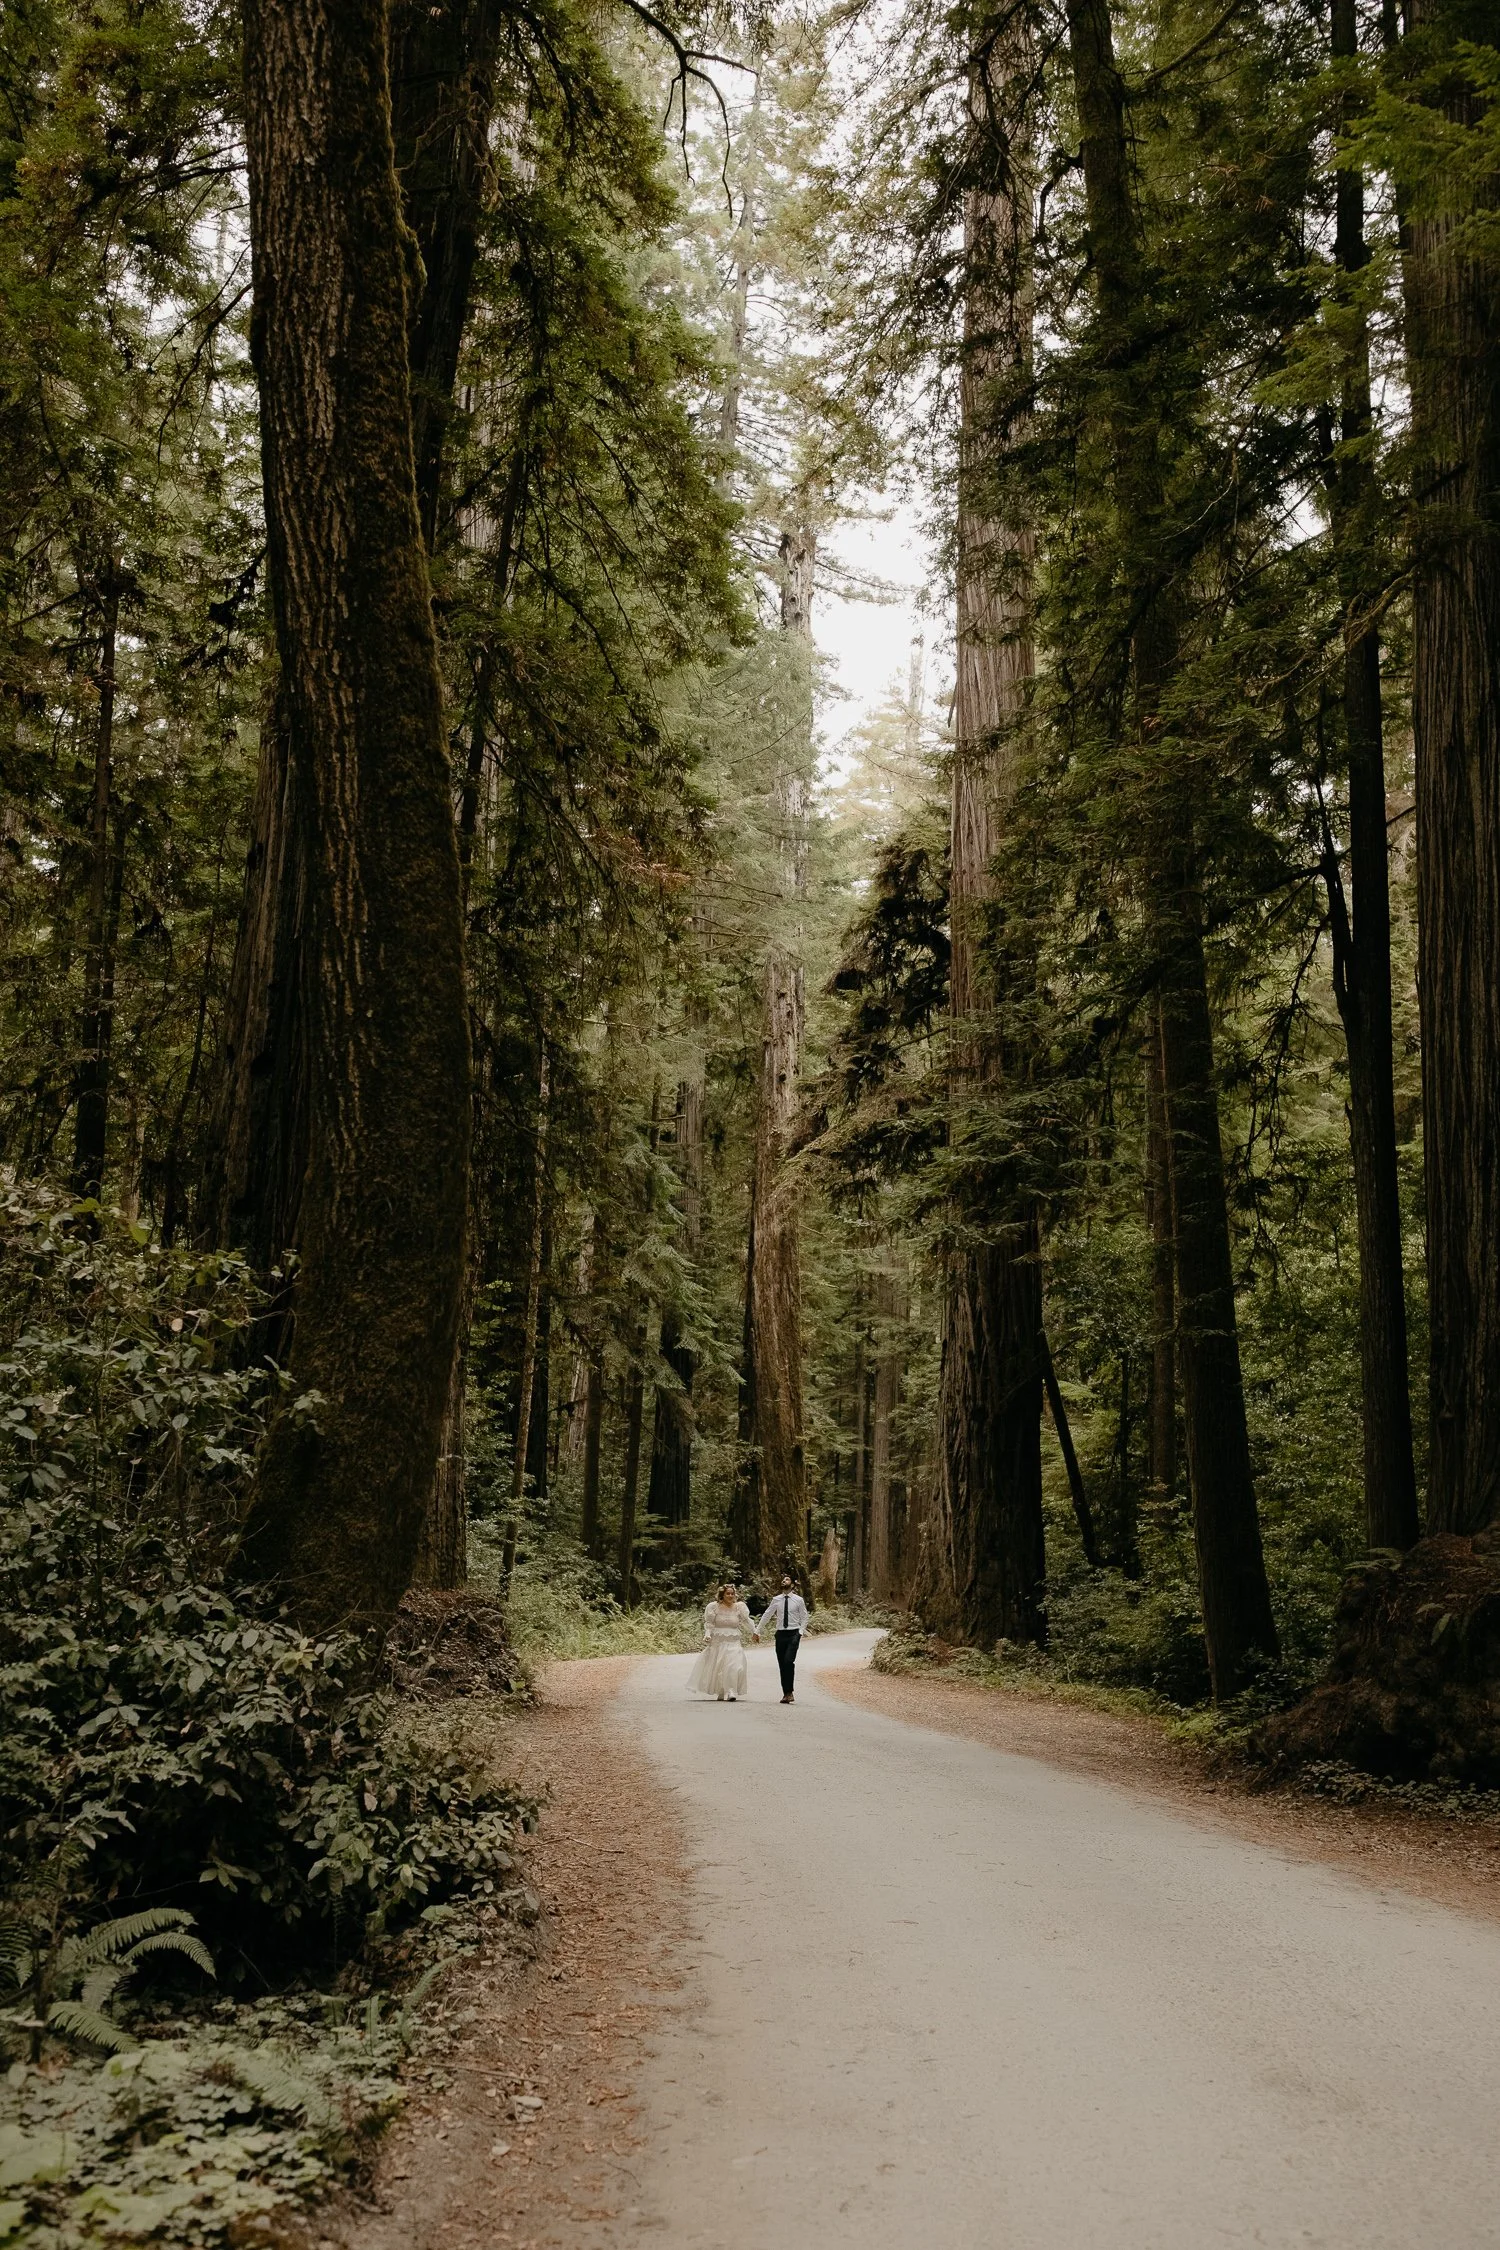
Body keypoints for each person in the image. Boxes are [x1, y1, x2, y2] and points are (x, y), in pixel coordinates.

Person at [686, 1584, 752, 1701]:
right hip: (718, 1641)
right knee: (720, 1666)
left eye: (732, 1593)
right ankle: (721, 1690)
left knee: (735, 1666)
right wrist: (707, 1635)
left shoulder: (739, 1607)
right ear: (722, 1595)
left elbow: (747, 1621)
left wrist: (755, 1632)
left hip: (734, 1641)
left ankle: (731, 1690)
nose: (731, 1595)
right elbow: (709, 1624)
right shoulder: (713, 1607)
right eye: (728, 1593)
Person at [756, 1574, 809, 1704]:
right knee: (782, 1664)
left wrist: (800, 1632)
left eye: (787, 1579)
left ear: (792, 1584)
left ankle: (790, 1691)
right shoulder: (776, 1600)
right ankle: (786, 1694)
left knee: (788, 1661)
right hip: (780, 1634)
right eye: (783, 1579)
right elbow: (767, 1615)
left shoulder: (798, 1600)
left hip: (793, 1634)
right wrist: (757, 1630)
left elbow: (804, 1617)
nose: (783, 1581)